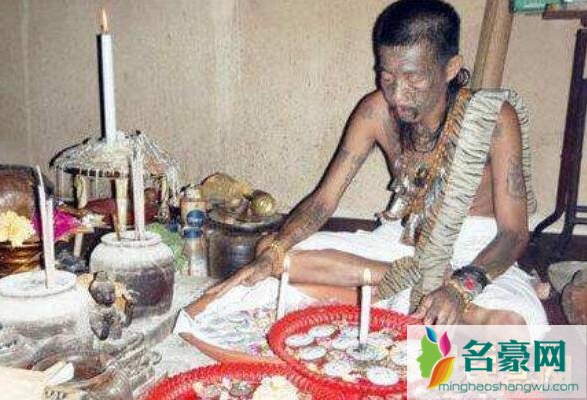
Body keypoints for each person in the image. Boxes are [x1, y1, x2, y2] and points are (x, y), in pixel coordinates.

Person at [207, 0, 547, 326]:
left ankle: (394, 298)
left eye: (414, 79)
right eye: (387, 78)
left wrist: (460, 288)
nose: (397, 95)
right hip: (401, 246)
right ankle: (408, 290)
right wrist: (275, 253)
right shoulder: (375, 111)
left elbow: (513, 233)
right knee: (272, 252)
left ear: (450, 68)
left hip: (474, 252)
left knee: (508, 326)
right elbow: (323, 202)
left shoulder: (493, 119)